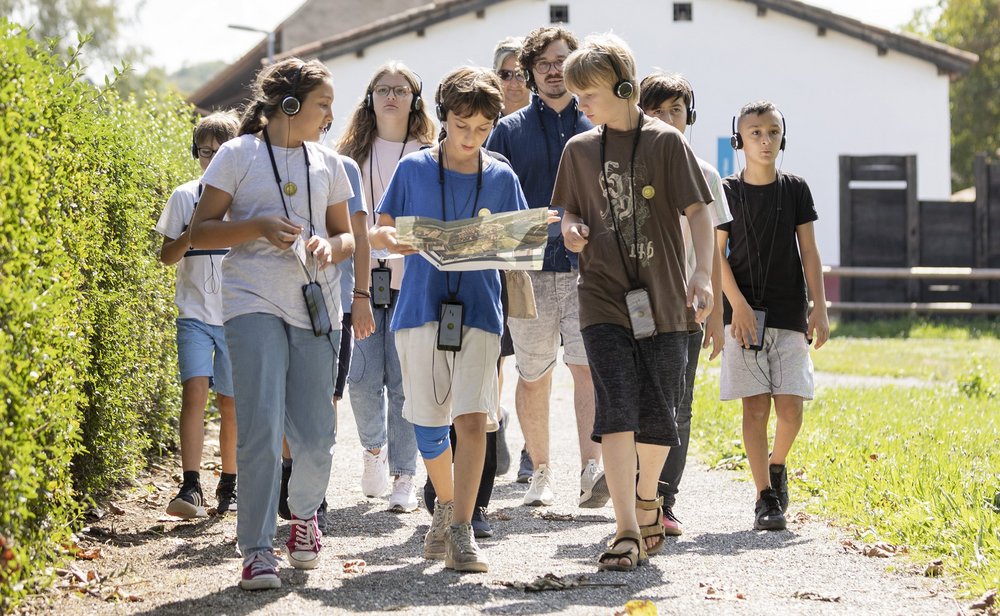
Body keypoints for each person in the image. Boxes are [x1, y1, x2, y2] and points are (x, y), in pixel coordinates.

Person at [190, 58, 355, 590]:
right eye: (323, 103)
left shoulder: (328, 163)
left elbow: (348, 236)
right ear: (290, 105)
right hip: (250, 302)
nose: (331, 113)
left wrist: (329, 247)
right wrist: (258, 226)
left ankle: (303, 517)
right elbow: (201, 232)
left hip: (315, 307)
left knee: (316, 436)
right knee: (260, 427)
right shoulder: (238, 155)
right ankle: (257, 548)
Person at [556, 34, 715, 570]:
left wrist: (705, 279)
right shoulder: (578, 150)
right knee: (616, 411)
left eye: (589, 94)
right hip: (600, 299)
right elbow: (568, 213)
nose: (580, 104)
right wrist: (573, 228)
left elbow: (698, 212)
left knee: (659, 418)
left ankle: (648, 497)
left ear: (624, 87)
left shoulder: (668, 143)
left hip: (665, 301)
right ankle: (624, 527)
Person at [370, 66, 530, 573]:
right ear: (443, 118)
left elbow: (520, 243)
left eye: (483, 129)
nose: (471, 138)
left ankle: (462, 529)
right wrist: (389, 240)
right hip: (419, 306)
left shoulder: (501, 175)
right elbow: (381, 229)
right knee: (426, 419)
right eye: (462, 126)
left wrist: (542, 236)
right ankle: (443, 503)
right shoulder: (414, 169)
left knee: (473, 418)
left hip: (480, 309)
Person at [487, 26, 606, 509]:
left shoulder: (599, 125)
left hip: (591, 272)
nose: (554, 70)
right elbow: (494, 212)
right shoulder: (508, 131)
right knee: (533, 374)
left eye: (562, 61)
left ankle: (592, 470)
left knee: (588, 370)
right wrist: (553, 230)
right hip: (528, 273)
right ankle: (540, 471)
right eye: (544, 64)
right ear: (532, 73)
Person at [719, 100, 829, 531]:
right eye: (756, 133)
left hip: (788, 313)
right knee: (755, 409)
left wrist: (818, 305)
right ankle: (765, 495)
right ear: (739, 139)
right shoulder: (726, 191)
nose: (765, 141)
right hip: (742, 316)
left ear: (783, 138)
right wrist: (738, 306)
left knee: (792, 409)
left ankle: (777, 464)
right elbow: (716, 255)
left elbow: (810, 252)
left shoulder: (796, 189)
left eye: (773, 133)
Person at [336, 62, 435, 511]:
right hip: (361, 281)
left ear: (415, 99)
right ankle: (373, 452)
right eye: (382, 89)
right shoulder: (351, 153)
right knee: (360, 378)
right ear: (370, 98)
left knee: (404, 382)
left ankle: (405, 476)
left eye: (401, 89)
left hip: (412, 281)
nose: (391, 96)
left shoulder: (428, 152)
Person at [638, 71, 732, 536]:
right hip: (634, 305)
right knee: (636, 400)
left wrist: (716, 314)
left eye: (675, 109)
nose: (665, 118)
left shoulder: (707, 173)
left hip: (687, 308)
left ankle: (665, 499)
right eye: (655, 110)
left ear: (689, 116)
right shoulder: (628, 167)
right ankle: (636, 495)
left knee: (680, 403)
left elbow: (714, 249)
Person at [276, 154, 370, 532]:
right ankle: (290, 469)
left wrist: (361, 295)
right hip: (276, 299)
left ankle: (315, 490)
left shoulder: (342, 166)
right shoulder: (260, 158)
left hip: (332, 304)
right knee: (283, 395)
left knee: (325, 397)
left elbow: (358, 234)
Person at [156, 111, 240, 519]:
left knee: (231, 404)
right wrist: (193, 230)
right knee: (194, 394)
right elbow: (165, 257)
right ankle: (190, 484)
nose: (210, 159)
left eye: (219, 151)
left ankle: (229, 482)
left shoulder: (245, 197)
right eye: (204, 152)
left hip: (236, 317)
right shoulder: (184, 196)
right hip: (193, 316)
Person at [493, 36, 530, 115]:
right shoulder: (485, 121)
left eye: (521, 74)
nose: (514, 84)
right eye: (506, 74)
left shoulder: (546, 120)